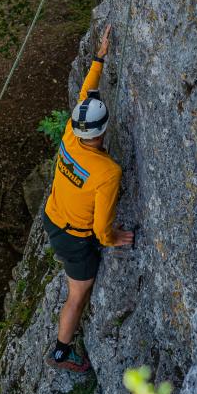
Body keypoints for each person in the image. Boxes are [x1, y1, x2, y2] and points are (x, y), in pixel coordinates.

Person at [43, 24, 134, 372]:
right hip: (74, 239)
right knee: (77, 296)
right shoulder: (107, 172)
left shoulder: (70, 134)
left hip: (53, 217)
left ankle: (61, 349)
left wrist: (99, 57)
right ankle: (61, 351)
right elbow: (101, 229)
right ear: (104, 128)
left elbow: (86, 93)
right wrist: (114, 239)